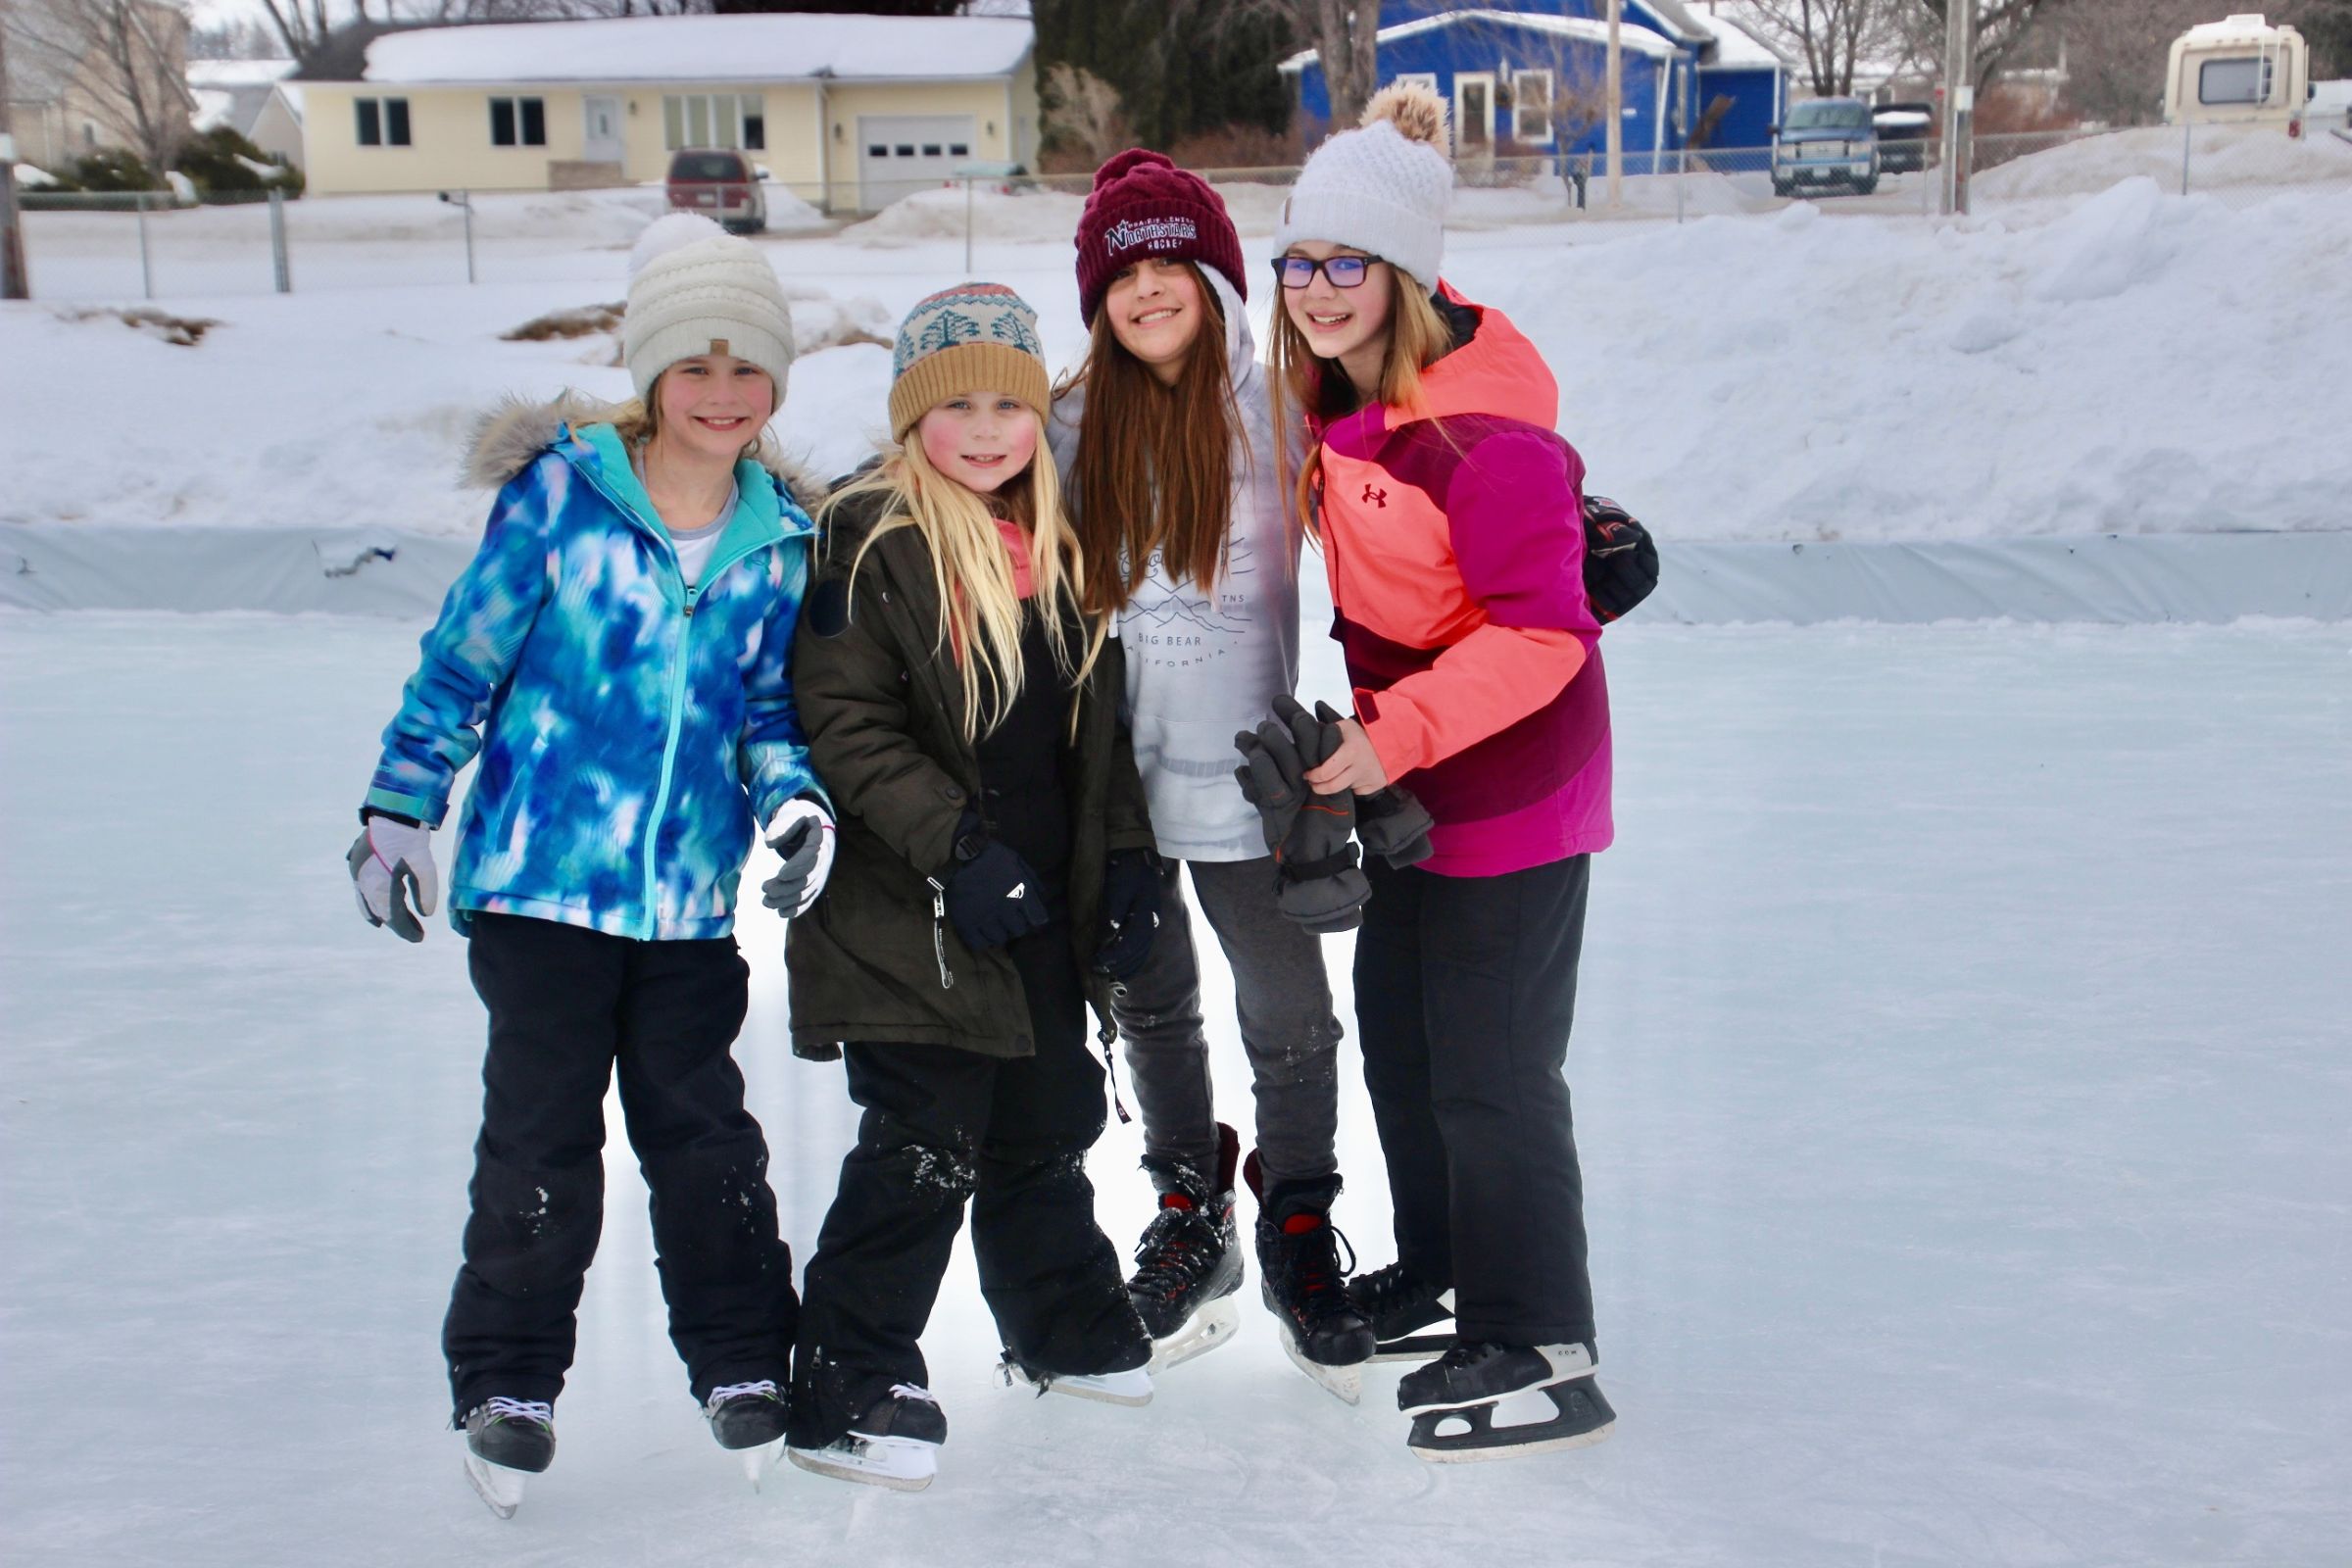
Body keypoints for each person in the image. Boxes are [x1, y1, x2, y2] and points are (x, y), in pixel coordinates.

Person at [345, 213, 836, 1514]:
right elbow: (464, 663)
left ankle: (746, 1361)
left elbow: (766, 713)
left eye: (748, 368)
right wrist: (400, 809)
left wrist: (794, 806)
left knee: (706, 1139)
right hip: (540, 893)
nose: (723, 392)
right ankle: (508, 1380)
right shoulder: (563, 499)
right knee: (542, 1140)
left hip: (685, 906)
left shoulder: (779, 537)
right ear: (652, 372)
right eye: (697, 365)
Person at [1265, 85, 1620, 1462]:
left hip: (1511, 783)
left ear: (1405, 277)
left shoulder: (1481, 430)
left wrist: (1388, 739)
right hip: (1412, 774)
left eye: (1346, 264)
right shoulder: (1345, 387)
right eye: (1299, 261)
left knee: (1493, 1066)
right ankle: (1445, 1267)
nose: (1315, 289)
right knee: (1406, 1041)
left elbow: (1544, 635)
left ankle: (1541, 1339)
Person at [780, 282, 1159, 1493]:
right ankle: (845, 1376)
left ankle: (1061, 1323)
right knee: (924, 1142)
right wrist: (956, 849)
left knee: (1046, 1118)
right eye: (959, 407)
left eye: (1010, 404)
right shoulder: (869, 539)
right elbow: (847, 724)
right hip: (916, 910)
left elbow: (1098, 740)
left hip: (1037, 903)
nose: (988, 430)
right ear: (912, 419)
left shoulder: (1060, 543)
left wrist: (1130, 863)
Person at [1045, 150, 1375, 1392]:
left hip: (1254, 778)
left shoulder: (1282, 403)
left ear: (1217, 281)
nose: (1146, 291)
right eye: (1121, 276)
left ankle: (1298, 1219)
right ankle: (1193, 1212)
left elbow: (1402, 467)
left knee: (1288, 1012)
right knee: (1153, 1002)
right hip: (1121, 783)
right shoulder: (1070, 424)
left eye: (1168, 266)